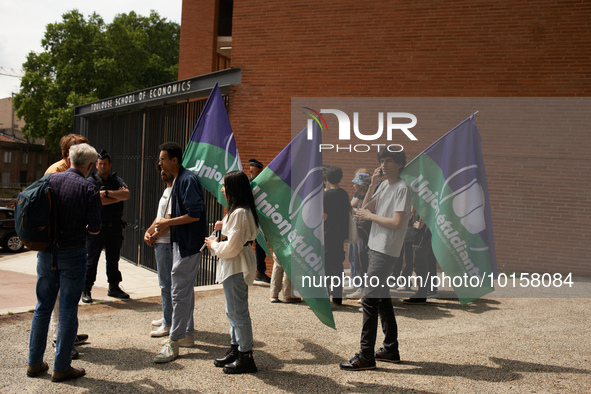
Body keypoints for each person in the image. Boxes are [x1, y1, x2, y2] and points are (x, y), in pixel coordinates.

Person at [27, 143, 101, 382]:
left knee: (42, 308)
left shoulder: (48, 181)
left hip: (46, 253)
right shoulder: (88, 187)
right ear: (89, 166)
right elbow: (95, 227)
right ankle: (61, 367)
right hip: (73, 253)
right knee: (68, 309)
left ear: (69, 160)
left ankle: (34, 363)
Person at [340, 150, 410, 371]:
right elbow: (366, 206)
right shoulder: (383, 185)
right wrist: (373, 183)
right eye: (381, 161)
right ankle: (390, 349)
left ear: (399, 163)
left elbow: (397, 223)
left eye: (389, 160)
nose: (384, 164)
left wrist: (370, 217)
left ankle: (366, 355)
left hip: (386, 249)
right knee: (382, 299)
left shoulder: (402, 188)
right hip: (375, 246)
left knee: (369, 300)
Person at [153, 142, 207, 363]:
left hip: (188, 245)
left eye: (163, 158)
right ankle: (187, 335)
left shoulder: (187, 180)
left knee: (178, 292)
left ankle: (174, 341)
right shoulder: (179, 180)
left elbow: (195, 214)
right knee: (183, 291)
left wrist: (168, 223)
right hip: (181, 243)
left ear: (174, 160)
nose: (160, 163)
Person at [204, 170, 259, 374]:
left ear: (234, 188)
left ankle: (246, 355)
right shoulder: (238, 211)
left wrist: (213, 245)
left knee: (238, 311)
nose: (222, 189)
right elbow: (235, 236)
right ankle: (236, 349)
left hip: (236, 265)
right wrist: (222, 227)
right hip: (233, 265)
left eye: (225, 186)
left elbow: (232, 247)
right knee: (233, 310)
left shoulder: (239, 213)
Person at [45, 133, 90, 360]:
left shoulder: (73, 171)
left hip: (69, 245)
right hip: (59, 247)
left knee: (69, 297)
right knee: (58, 299)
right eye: (79, 149)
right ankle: (59, 339)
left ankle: (68, 335)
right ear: (68, 153)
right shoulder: (56, 172)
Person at [82, 150, 131, 303]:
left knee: (113, 259)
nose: (102, 166)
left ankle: (114, 287)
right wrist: (115, 196)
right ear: (96, 165)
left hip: (115, 227)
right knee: (91, 259)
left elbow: (127, 194)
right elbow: (96, 201)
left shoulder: (117, 180)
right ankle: (86, 288)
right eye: (100, 164)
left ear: (110, 165)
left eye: (105, 164)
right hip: (97, 227)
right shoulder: (90, 181)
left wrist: (106, 193)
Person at [144, 164, 175, 336]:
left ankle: (168, 323)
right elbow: (159, 218)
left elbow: (168, 222)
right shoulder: (166, 191)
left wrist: (154, 235)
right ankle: (166, 317)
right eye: (161, 169)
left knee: (166, 285)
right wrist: (148, 233)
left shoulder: (174, 192)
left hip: (166, 243)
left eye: (166, 168)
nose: (163, 172)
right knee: (164, 284)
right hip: (160, 241)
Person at [323, 166, 350, 305]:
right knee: (338, 267)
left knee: (327, 268)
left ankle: (326, 297)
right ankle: (338, 297)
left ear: (326, 179)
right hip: (340, 235)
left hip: (328, 235)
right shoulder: (344, 194)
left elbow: (324, 217)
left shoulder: (326, 195)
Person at [345, 169, 371, 300]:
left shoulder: (369, 197)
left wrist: (354, 211)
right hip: (358, 232)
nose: (353, 185)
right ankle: (361, 289)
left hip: (365, 234)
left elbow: (364, 213)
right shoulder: (360, 196)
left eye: (356, 183)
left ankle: (366, 291)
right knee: (357, 260)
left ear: (361, 185)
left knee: (363, 261)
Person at [248, 158, 271, 283]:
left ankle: (261, 272)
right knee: (246, 245)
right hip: (248, 219)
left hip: (259, 220)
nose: (259, 174)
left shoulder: (261, 184)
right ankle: (245, 272)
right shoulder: (246, 184)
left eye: (260, 172)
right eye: (257, 172)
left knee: (260, 246)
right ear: (251, 171)